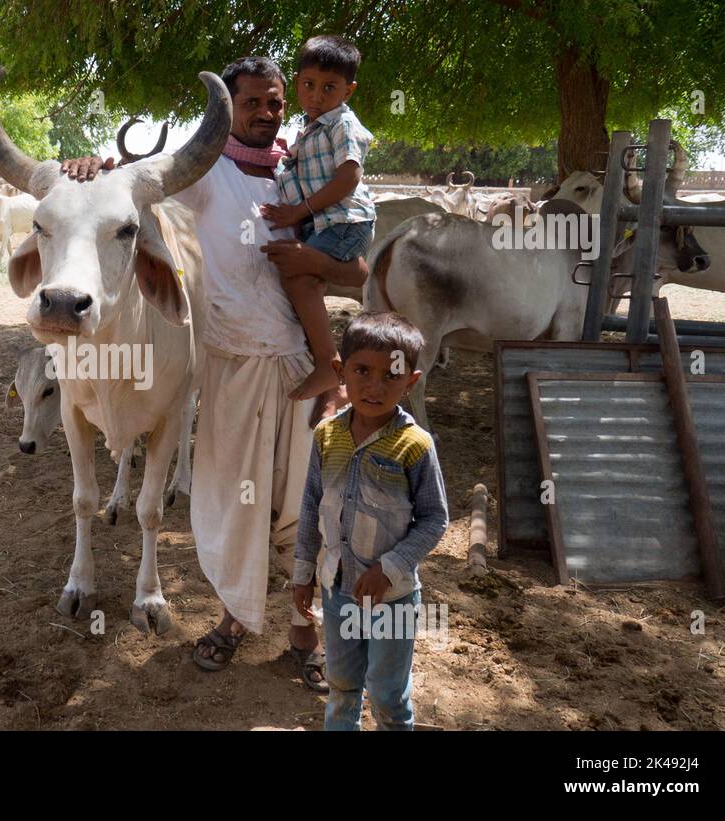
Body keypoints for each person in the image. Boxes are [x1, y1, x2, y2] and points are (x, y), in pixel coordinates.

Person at [62, 56, 367, 692]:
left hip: (300, 362)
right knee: (234, 499)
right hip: (228, 362)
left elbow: (356, 273)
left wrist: (308, 254)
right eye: (252, 102)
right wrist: (96, 169)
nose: (266, 112)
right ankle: (232, 621)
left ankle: (303, 630)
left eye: (275, 102)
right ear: (228, 108)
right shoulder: (206, 175)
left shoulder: (302, 173)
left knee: (303, 502)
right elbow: (134, 190)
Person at [291, 311, 449, 730]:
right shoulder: (326, 435)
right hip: (337, 588)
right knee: (341, 684)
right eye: (362, 370)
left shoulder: (415, 446)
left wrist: (390, 568)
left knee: (386, 693)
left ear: (411, 381)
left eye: (392, 375)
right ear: (340, 371)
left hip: (391, 598)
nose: (375, 386)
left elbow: (435, 519)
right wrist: (303, 572)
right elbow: (309, 505)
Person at [260, 35, 377, 402]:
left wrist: (299, 211)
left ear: (349, 90)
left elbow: (349, 177)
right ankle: (322, 360)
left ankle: (328, 362)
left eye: (330, 88)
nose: (316, 95)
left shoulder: (342, 124)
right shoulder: (312, 127)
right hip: (327, 224)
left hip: (343, 222)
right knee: (300, 277)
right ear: (297, 83)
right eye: (309, 85)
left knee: (298, 277)